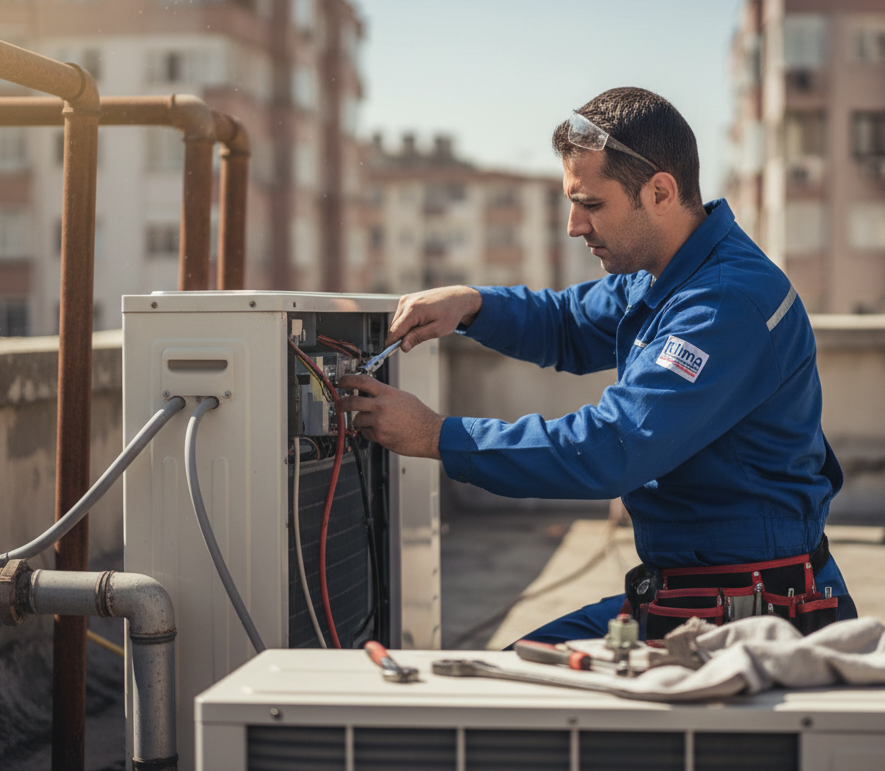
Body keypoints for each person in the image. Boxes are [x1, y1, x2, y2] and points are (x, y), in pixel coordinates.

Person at [337, 87, 856, 643]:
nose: (573, 226)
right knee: (513, 681)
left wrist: (438, 436)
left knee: (508, 693)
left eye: (591, 204)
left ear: (660, 191)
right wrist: (473, 304)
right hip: (692, 588)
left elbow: (612, 449)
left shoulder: (723, 303)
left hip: (752, 610)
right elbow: (566, 323)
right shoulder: (663, 271)